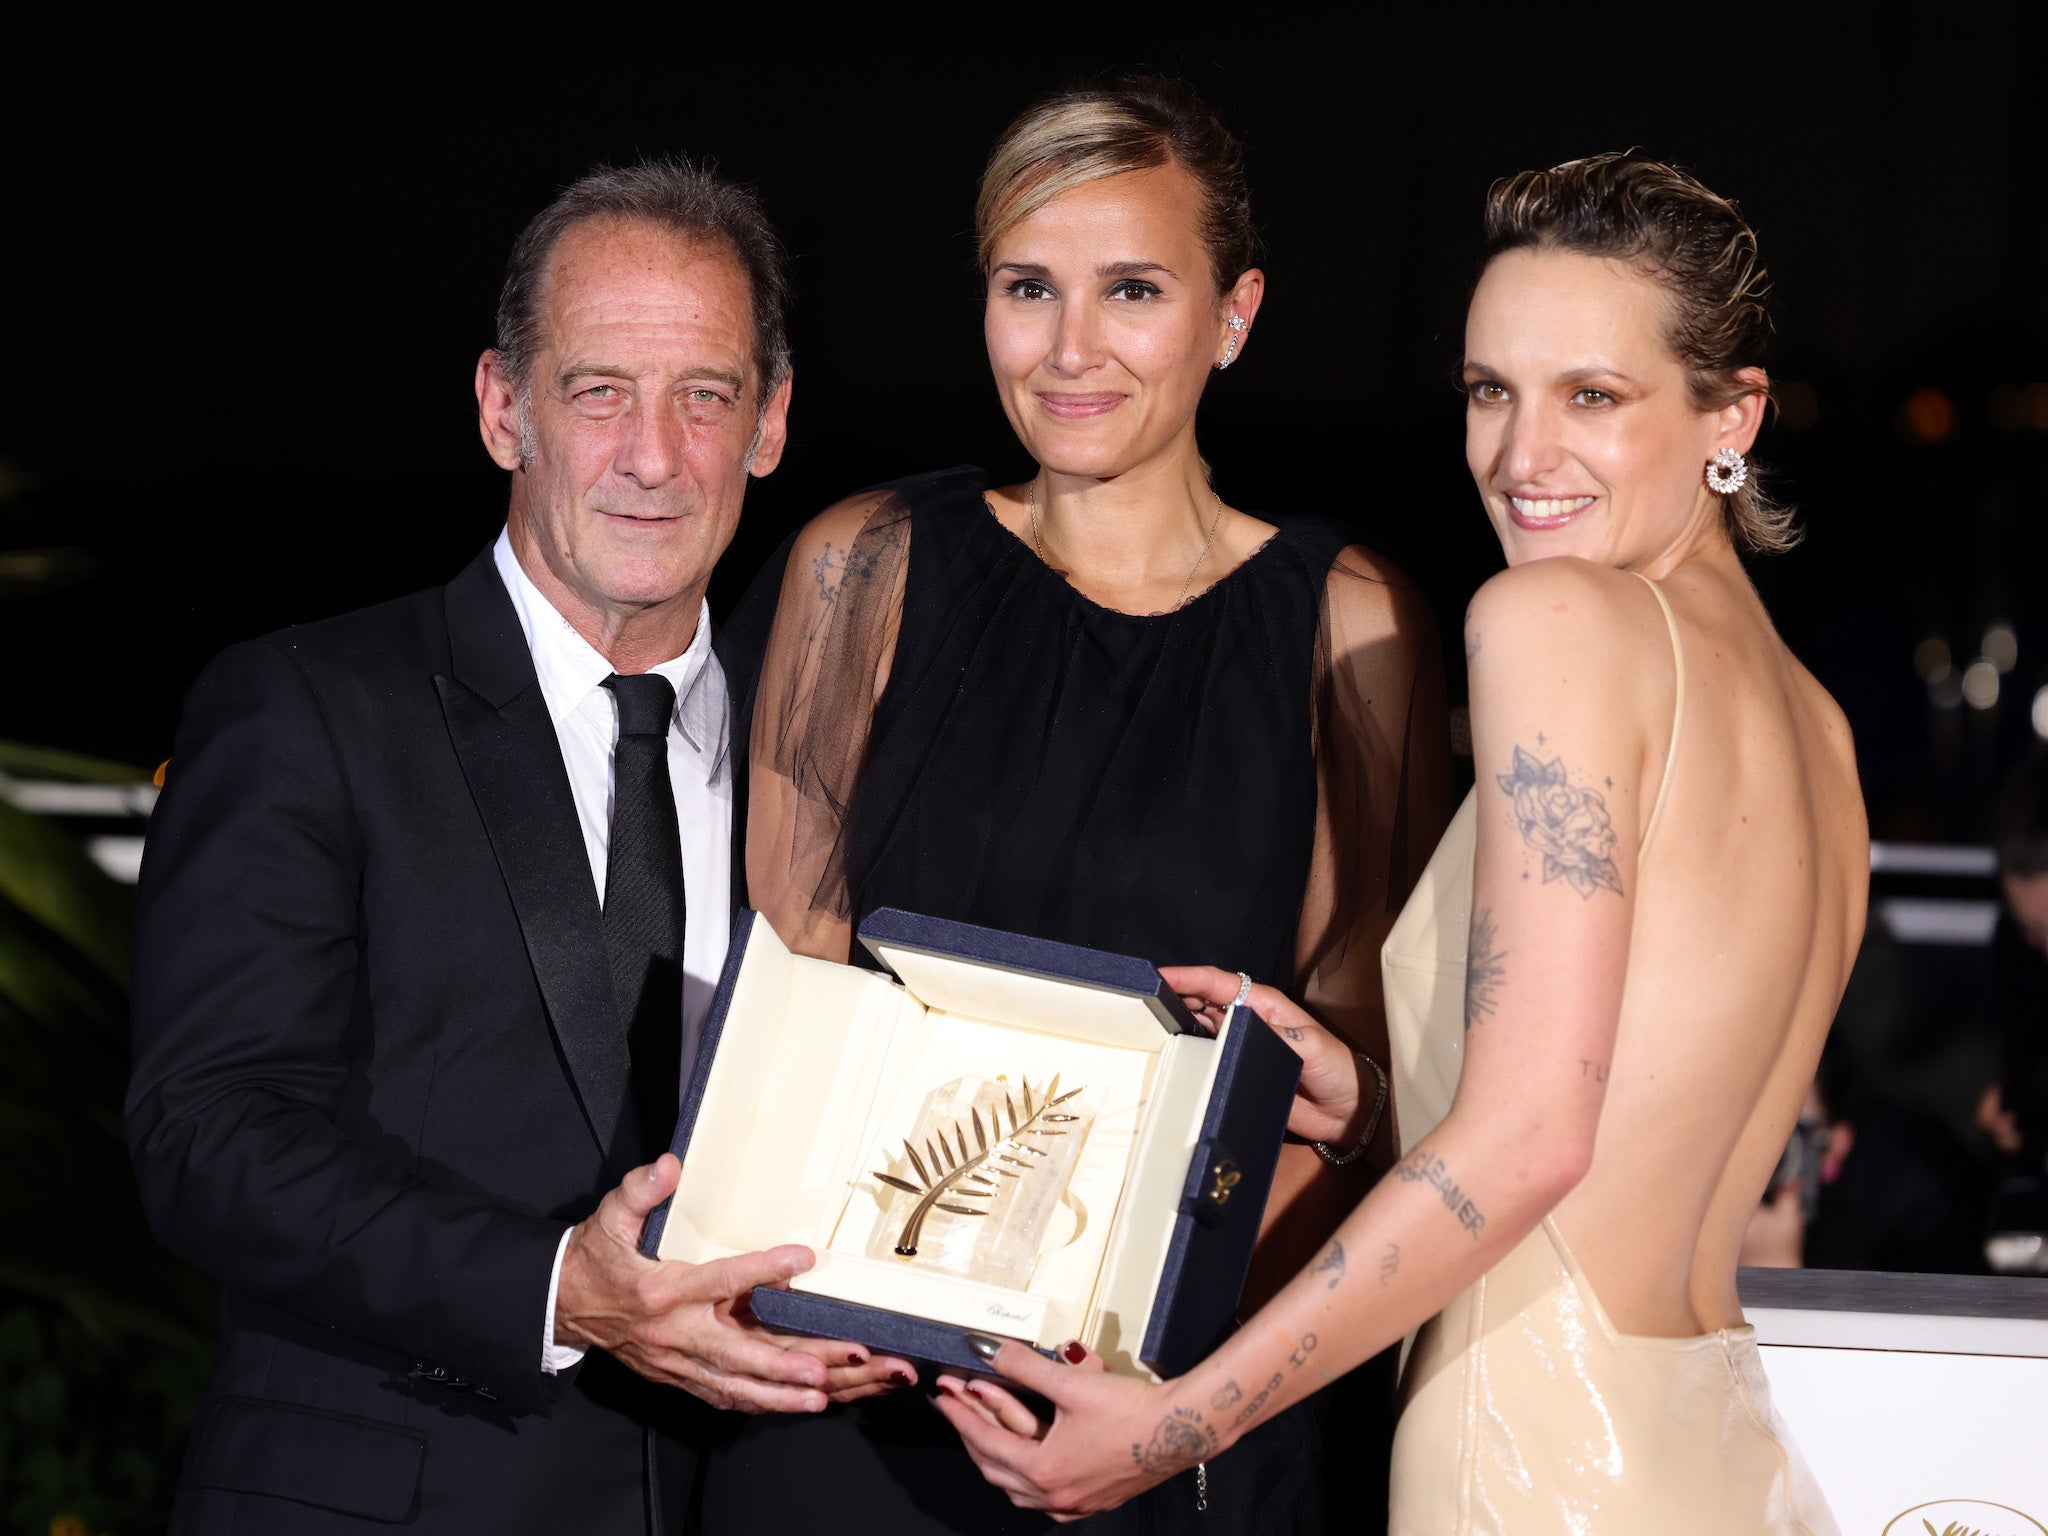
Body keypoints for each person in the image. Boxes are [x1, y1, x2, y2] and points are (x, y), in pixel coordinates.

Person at [936, 154, 1865, 1536]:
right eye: (1492, 392)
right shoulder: (1816, 724)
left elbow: (1530, 1146)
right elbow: (1624, 1139)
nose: (1520, 455)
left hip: (1531, 1454)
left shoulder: (1556, 623)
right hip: (1720, 1452)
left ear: (1732, 413)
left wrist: (1172, 1426)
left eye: (1592, 398)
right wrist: (1376, 1105)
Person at [712, 76, 1449, 1536]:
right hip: (864, 1392)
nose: (1070, 351)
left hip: (1167, 1415)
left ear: (1233, 316)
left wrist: (1156, 1400)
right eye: (1027, 287)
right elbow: (792, 991)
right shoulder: (867, 563)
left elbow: (1349, 1071)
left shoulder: (1350, 628)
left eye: (1133, 290)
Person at [125, 162, 850, 1535]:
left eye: (705, 395)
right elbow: (204, 1134)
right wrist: (553, 1288)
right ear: (501, 407)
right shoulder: (303, 708)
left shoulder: (824, 754)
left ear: (771, 423)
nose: (654, 454)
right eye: (597, 392)